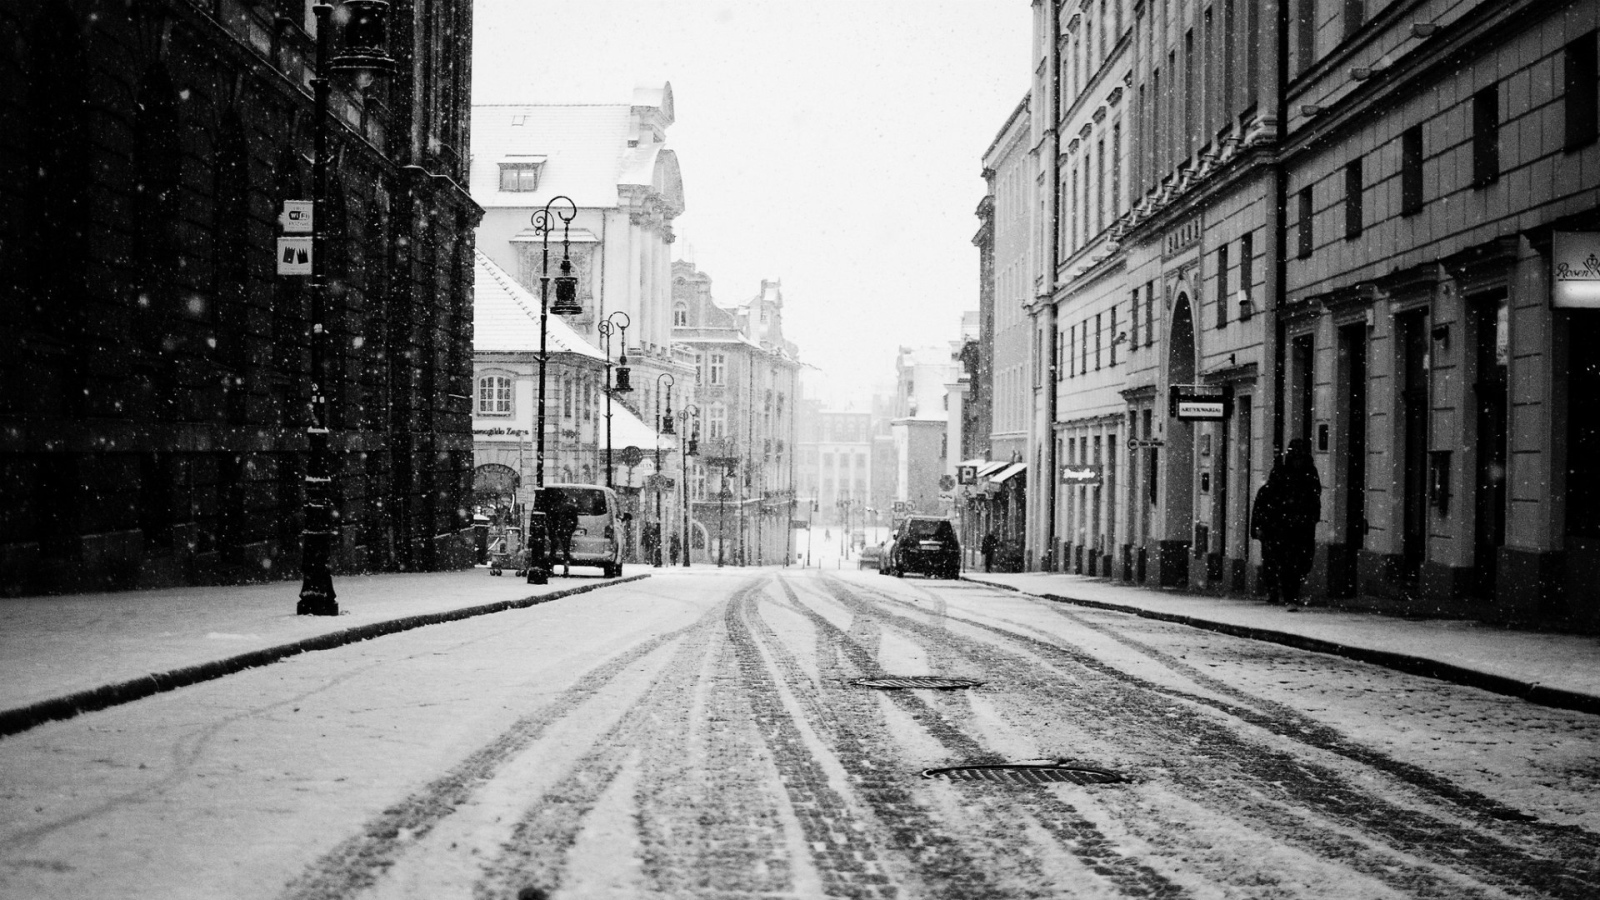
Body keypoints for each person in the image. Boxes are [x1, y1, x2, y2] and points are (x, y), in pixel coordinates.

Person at [1252, 438, 1322, 607]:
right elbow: (1269, 498)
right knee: (1287, 562)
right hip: (1286, 526)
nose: (1297, 459)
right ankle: (1289, 594)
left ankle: (1287, 592)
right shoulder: (1286, 473)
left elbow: (1314, 497)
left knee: (1298, 561)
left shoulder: (1307, 473)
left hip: (1298, 525)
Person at [550, 493, 579, 577]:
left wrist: (553, 531)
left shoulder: (554, 508)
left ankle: (551, 568)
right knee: (566, 551)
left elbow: (551, 520)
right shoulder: (571, 508)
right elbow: (574, 520)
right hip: (566, 531)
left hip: (557, 531)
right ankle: (566, 569)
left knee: (553, 550)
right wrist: (570, 530)